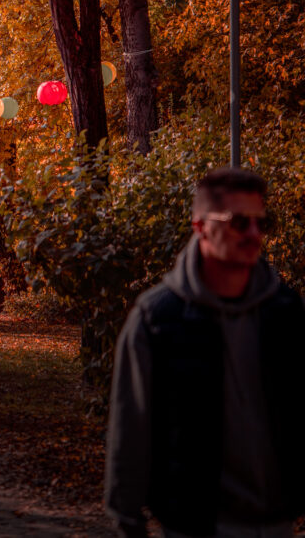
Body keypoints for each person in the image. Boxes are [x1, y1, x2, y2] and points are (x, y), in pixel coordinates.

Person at [105, 168, 305, 538]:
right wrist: (127, 517)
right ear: (200, 227)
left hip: (278, 522)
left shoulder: (286, 311)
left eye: (262, 222)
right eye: (238, 222)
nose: (253, 234)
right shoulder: (158, 317)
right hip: (193, 524)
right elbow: (131, 425)